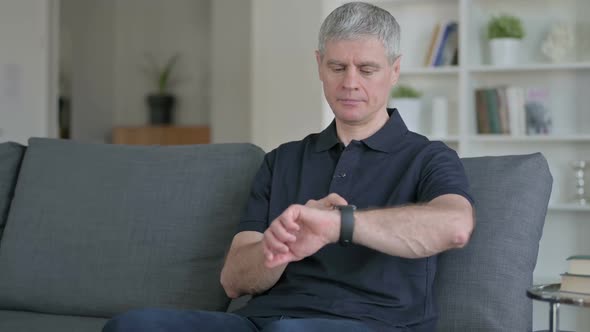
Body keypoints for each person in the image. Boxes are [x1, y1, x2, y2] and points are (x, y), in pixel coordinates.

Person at [103, 2, 474, 332]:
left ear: (394, 71)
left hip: (371, 323)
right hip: (260, 321)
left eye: (367, 69)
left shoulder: (428, 157)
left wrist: (338, 225)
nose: (350, 83)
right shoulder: (282, 160)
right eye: (337, 66)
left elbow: (454, 226)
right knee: (131, 325)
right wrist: (280, 248)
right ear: (319, 66)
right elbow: (233, 281)